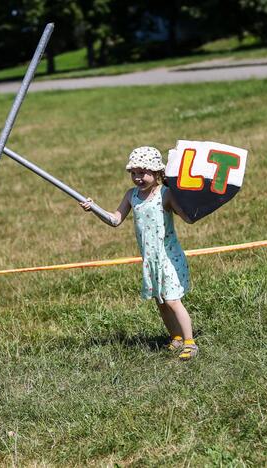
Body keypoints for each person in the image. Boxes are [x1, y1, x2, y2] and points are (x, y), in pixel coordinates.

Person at [80, 147, 198, 361]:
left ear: (156, 172)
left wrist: (192, 202)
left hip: (168, 257)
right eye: (133, 173)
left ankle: (190, 342)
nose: (137, 178)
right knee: (160, 302)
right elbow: (115, 220)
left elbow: (187, 217)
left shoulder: (165, 193)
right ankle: (177, 337)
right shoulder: (131, 195)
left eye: (142, 172)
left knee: (173, 300)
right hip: (150, 260)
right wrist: (94, 207)